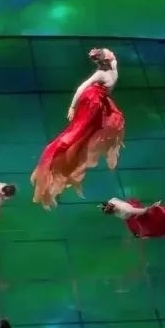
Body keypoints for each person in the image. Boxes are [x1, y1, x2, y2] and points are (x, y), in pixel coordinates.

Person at [31, 48, 125, 209]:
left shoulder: (111, 65)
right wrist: (73, 107)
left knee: (99, 127)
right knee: (78, 133)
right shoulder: (102, 73)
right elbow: (82, 87)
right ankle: (58, 162)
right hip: (93, 102)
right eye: (109, 53)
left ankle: (70, 157)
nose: (112, 54)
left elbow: (108, 60)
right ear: (107, 59)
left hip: (100, 101)